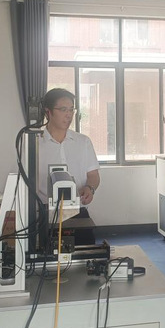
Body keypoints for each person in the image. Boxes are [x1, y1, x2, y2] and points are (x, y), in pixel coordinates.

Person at [38, 88, 100, 245]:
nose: (69, 115)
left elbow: (93, 175)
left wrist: (90, 188)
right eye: (63, 109)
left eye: (71, 109)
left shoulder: (83, 142)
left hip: (78, 212)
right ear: (48, 112)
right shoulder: (34, 144)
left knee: (87, 254)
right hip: (44, 213)